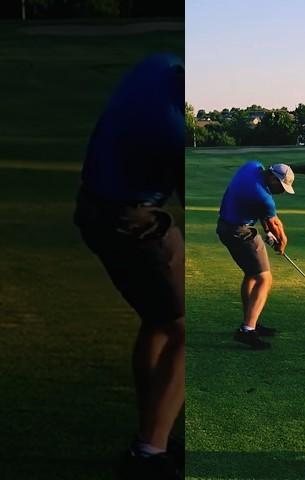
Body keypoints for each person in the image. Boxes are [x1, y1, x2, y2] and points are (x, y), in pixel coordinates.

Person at [73, 54, 185, 480]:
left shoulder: (157, 65)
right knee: (188, 330)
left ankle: (153, 431)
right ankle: (148, 454)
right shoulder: (171, 129)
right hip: (129, 219)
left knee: (160, 320)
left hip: (95, 205)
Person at [217, 161, 295, 350]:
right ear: (273, 178)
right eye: (281, 187)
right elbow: (274, 223)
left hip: (225, 226)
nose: (282, 192)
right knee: (264, 278)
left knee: (252, 275)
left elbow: (260, 213)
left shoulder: (251, 166)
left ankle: (250, 320)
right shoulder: (264, 198)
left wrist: (267, 231)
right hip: (239, 231)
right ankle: (247, 330)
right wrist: (282, 242)